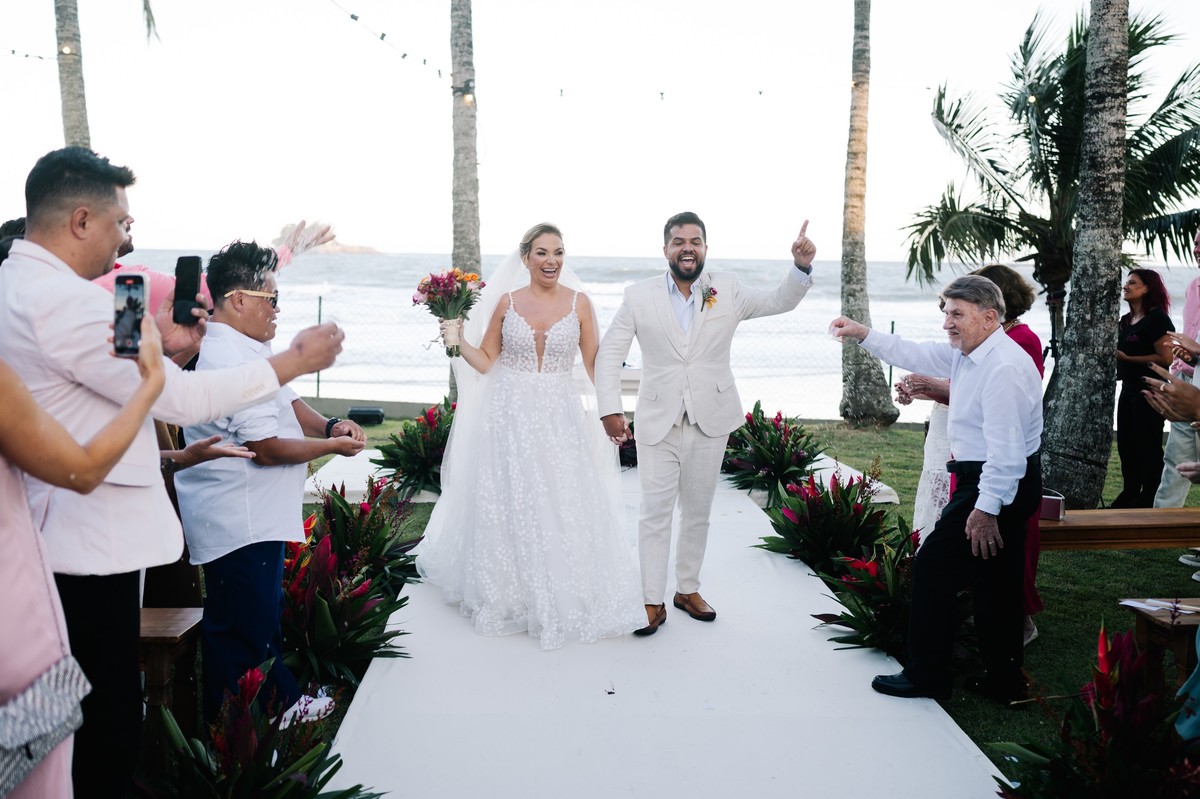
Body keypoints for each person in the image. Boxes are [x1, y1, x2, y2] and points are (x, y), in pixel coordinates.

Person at [0, 146, 345, 796]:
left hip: (51, 534)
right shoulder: (71, 304)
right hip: (88, 542)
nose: (126, 236)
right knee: (103, 724)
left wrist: (163, 342)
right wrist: (292, 362)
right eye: (120, 222)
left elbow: (119, 379)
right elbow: (175, 399)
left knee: (56, 714)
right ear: (80, 220)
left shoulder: (29, 287)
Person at [414, 223, 645, 650]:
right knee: (512, 497)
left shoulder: (579, 303)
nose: (551, 260)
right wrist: (455, 339)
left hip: (559, 413)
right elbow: (486, 361)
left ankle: (563, 584)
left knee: (559, 494)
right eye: (542, 252)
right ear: (525, 258)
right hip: (509, 414)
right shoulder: (507, 302)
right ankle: (510, 591)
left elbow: (594, 365)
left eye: (558, 252)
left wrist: (613, 410)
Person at [594, 212, 817, 635]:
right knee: (654, 513)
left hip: (710, 419)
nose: (687, 248)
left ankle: (687, 590)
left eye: (695, 241)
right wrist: (610, 409)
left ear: (705, 249)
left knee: (697, 512)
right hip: (658, 420)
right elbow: (609, 355)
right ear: (665, 249)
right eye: (679, 241)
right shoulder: (638, 296)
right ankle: (651, 599)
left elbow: (779, 301)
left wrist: (800, 267)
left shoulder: (727, 289)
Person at [175, 241, 365, 719]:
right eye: (272, 299)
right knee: (239, 631)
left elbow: (289, 402)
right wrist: (330, 449)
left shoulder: (248, 346)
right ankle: (237, 729)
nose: (278, 309)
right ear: (239, 300)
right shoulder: (227, 358)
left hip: (257, 515)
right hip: (238, 517)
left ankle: (275, 709)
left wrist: (329, 426)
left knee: (259, 620)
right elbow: (266, 449)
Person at [830, 275, 1043, 704]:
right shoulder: (972, 351)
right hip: (1000, 481)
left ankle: (927, 675)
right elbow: (914, 352)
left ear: (989, 317)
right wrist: (862, 333)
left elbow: (1006, 453)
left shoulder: (1002, 367)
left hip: (994, 482)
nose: (947, 322)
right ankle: (1004, 682)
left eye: (957, 314)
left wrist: (985, 510)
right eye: (946, 313)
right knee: (995, 584)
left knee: (933, 568)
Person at [1, 315, 163, 799]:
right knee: (51, 741)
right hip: (21, 591)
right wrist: (149, 385)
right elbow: (83, 470)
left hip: (30, 576)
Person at [1155, 230, 1200, 570]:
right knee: (1177, 456)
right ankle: (1160, 529)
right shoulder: (1195, 285)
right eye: (1196, 242)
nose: (1197, 248)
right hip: (1187, 376)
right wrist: (1182, 362)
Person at [1113, 268, 1174, 508]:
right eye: (1126, 282)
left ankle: (1149, 497)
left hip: (1151, 389)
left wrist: (1128, 359)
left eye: (1132, 283)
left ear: (1147, 288)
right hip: (1128, 388)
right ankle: (1130, 493)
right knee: (1126, 444)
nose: (1125, 286)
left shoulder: (1157, 319)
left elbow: (1166, 358)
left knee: (1147, 445)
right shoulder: (1125, 321)